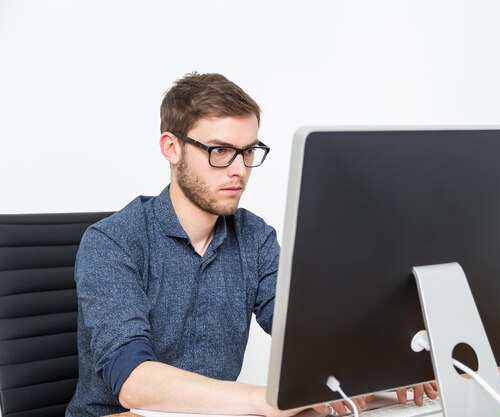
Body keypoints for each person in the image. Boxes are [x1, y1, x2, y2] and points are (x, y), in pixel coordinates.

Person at [66, 72, 437, 417]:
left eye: (247, 151)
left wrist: (389, 362)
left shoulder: (254, 237)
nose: (239, 170)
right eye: (219, 151)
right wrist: (264, 399)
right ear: (171, 147)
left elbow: (309, 329)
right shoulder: (112, 243)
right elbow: (134, 381)